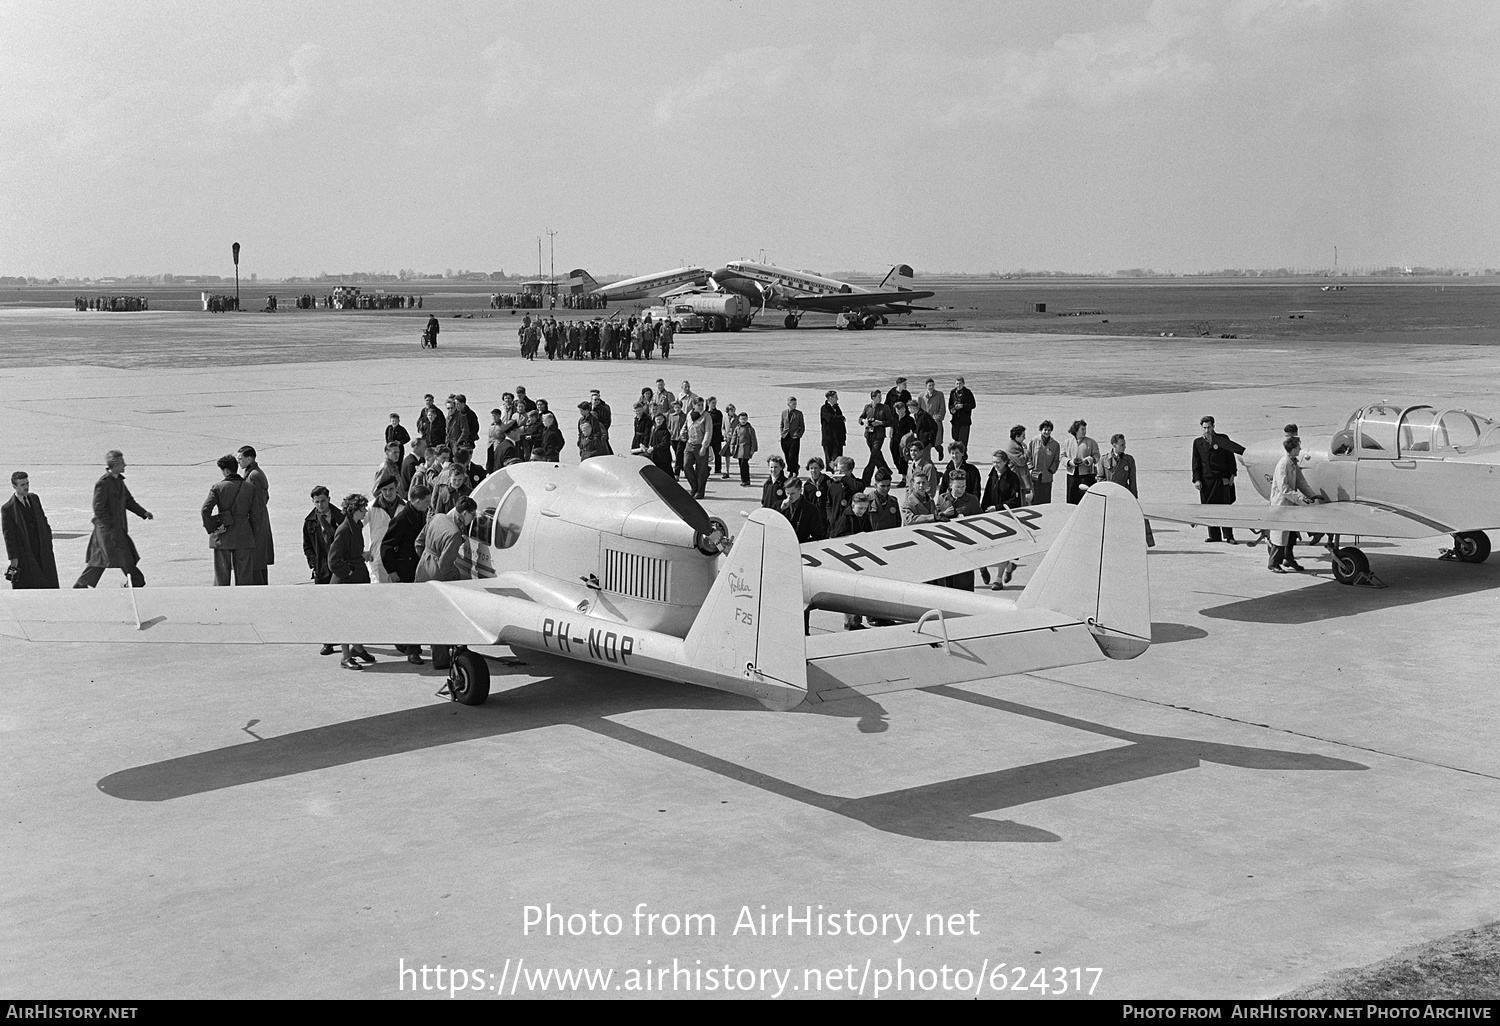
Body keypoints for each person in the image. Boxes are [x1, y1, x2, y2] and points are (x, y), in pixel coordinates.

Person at [74, 450, 152, 589]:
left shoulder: (118, 481)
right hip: (108, 531)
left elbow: (128, 501)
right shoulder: (103, 483)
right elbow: (98, 508)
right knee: (124, 558)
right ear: (115, 464)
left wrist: (143, 513)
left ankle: (81, 586)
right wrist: (110, 527)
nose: (125, 465)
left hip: (114, 530)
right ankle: (136, 581)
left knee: (99, 560)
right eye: (122, 463)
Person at [416, 496, 477, 671]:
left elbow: (418, 542)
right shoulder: (455, 534)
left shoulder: (437, 517)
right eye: (472, 516)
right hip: (437, 574)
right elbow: (445, 565)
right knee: (441, 618)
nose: (472, 520)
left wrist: (426, 560)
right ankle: (441, 660)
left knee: (425, 614)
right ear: (464, 513)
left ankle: (413, 649)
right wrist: (456, 577)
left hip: (422, 567)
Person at [381, 482, 430, 664]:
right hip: (404, 570)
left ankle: (404, 642)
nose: (428, 504)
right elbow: (386, 546)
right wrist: (392, 570)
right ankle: (412, 650)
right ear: (416, 501)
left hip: (414, 567)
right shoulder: (402, 519)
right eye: (426, 501)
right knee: (410, 610)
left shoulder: (418, 514)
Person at [326, 493, 376, 670]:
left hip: (357, 577)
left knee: (358, 616)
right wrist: (349, 570)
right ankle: (345, 656)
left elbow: (351, 551)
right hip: (345, 582)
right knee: (346, 619)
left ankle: (358, 648)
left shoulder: (356, 525)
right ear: (354, 510)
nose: (365, 512)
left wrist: (361, 555)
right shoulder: (345, 529)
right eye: (363, 509)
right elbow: (333, 560)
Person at [1268, 436, 1321, 573]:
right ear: (1292, 450)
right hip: (1282, 504)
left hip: (1290, 504)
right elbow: (1284, 489)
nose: (1300, 449)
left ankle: (1288, 559)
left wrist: (1312, 495)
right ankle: (1273, 563)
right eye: (1298, 447)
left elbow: (1301, 482)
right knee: (1280, 535)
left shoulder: (1292, 462)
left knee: (1291, 535)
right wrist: (1301, 499)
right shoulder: (1283, 464)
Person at [201, 453, 256, 586]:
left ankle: (221, 604)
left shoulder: (217, 488)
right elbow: (256, 515)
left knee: (222, 577)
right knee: (244, 577)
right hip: (244, 535)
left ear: (226, 471)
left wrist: (212, 529)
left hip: (223, 535)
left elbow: (205, 510)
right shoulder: (250, 488)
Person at [1192, 415, 1247, 543]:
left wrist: (1232, 474)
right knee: (1209, 509)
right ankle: (1214, 535)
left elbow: (1230, 457)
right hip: (1207, 481)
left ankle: (1229, 536)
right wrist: (1197, 480)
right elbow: (1196, 463)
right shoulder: (1197, 443)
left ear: (1213, 426)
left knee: (1225, 508)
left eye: (1209, 427)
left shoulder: (1222, 439)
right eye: (1204, 428)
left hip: (1222, 479)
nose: (1207, 430)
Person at [302, 485, 343, 656]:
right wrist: (314, 563)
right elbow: (307, 546)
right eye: (317, 502)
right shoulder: (310, 521)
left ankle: (349, 640)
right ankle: (328, 642)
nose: (320, 505)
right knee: (325, 608)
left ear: (329, 499)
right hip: (322, 569)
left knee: (342, 605)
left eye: (323, 501)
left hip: (339, 567)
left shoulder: (341, 516)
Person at [3, 471, 59, 589]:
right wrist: (13, 557)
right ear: (14, 486)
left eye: (27, 483)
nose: (26, 487)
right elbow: (9, 535)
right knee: (29, 583)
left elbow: (43, 520)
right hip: (25, 552)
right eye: (22, 485)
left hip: (42, 549)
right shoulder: (8, 508)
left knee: (48, 581)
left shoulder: (34, 499)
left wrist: (48, 538)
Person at [979, 449, 1026, 589]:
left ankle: (998, 580)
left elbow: (1015, 501)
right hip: (991, 517)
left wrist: (997, 507)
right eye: (993, 462)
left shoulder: (1013, 478)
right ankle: (1008, 566)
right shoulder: (992, 476)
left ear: (1005, 462)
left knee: (1002, 550)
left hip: (1005, 518)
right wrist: (981, 513)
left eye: (998, 462)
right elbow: (986, 496)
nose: (995, 465)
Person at [830, 489, 874, 630]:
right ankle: (851, 622)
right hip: (849, 559)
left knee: (859, 592)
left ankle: (856, 621)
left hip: (860, 558)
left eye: (865, 508)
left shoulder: (863, 517)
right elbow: (838, 537)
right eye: (860, 508)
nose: (862, 511)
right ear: (853, 505)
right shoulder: (845, 518)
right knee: (851, 592)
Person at [1100, 433, 1154, 547]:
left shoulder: (1129, 460)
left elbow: (1132, 479)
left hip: (1124, 494)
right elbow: (1099, 478)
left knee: (1128, 520)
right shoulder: (1104, 459)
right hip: (1110, 495)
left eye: (1124, 444)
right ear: (1114, 445)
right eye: (1122, 445)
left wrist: (1134, 496)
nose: (1124, 447)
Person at [935, 471, 981, 590]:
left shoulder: (972, 500)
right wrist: (943, 514)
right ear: (950, 486)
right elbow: (935, 519)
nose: (961, 490)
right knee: (947, 584)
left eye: (963, 486)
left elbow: (980, 522)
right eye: (958, 487)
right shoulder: (942, 499)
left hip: (965, 547)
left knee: (965, 583)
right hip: (947, 547)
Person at [238, 445, 273, 583]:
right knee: (258, 562)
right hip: (259, 521)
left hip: (256, 524)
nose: (238, 461)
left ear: (250, 459)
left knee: (255, 562)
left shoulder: (253, 476)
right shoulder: (253, 473)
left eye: (241, 458)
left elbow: (257, 503)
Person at [859, 389, 894, 484]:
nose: (881, 398)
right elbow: (860, 418)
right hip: (869, 435)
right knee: (877, 455)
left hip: (879, 435)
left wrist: (880, 423)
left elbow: (890, 421)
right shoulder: (867, 407)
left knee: (873, 456)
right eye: (878, 397)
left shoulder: (885, 408)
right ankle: (886, 471)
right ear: (873, 398)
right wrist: (864, 421)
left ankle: (866, 479)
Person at [1062, 420, 1099, 506]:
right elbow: (1062, 457)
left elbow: (1097, 456)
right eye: (1082, 429)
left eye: (1085, 429)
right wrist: (1070, 462)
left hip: (1086, 475)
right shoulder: (1067, 442)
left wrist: (1087, 460)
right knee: (1071, 497)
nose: (1084, 431)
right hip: (1072, 475)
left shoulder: (1091, 442)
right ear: (1076, 430)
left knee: (1083, 498)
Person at [1027, 420, 1061, 504]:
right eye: (1045, 430)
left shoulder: (1055, 444)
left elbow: (1056, 460)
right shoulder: (1033, 441)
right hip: (1035, 476)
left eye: (1049, 430)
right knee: (1035, 499)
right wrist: (1030, 468)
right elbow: (1028, 456)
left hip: (1047, 477)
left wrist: (1051, 471)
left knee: (1045, 499)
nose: (1047, 432)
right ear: (1041, 430)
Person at [915, 378, 946, 454]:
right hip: (924, 422)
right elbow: (917, 409)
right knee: (925, 441)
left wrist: (939, 418)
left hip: (935, 420)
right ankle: (927, 459)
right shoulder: (921, 396)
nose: (931, 387)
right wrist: (918, 419)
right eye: (929, 385)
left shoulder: (939, 395)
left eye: (933, 385)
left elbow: (942, 408)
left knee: (935, 441)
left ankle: (940, 450)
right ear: (926, 386)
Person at [948, 376, 976, 451]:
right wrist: (952, 410)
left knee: (962, 441)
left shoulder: (968, 392)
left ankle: (963, 456)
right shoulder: (953, 392)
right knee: (955, 438)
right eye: (957, 384)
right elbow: (950, 404)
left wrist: (962, 406)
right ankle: (958, 455)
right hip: (955, 420)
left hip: (965, 421)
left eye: (960, 383)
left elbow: (973, 405)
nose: (958, 385)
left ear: (963, 383)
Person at [730, 411, 758, 486]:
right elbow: (734, 438)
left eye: (744, 419)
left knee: (744, 463)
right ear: (739, 419)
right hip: (739, 449)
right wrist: (732, 447)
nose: (743, 421)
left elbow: (753, 439)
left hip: (746, 449)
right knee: (741, 464)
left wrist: (753, 449)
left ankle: (746, 480)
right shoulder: (737, 428)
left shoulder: (750, 429)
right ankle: (744, 480)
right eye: (742, 419)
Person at [820, 390, 846, 468]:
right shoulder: (824, 408)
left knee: (838, 459)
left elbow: (840, 422)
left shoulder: (836, 407)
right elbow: (830, 418)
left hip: (838, 438)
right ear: (830, 398)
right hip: (829, 438)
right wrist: (841, 418)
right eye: (835, 397)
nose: (837, 399)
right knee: (830, 460)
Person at [779, 396, 805, 471]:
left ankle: (792, 471)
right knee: (787, 454)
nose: (794, 405)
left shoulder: (799, 413)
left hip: (794, 437)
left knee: (793, 455)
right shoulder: (784, 413)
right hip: (785, 436)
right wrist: (782, 433)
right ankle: (794, 466)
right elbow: (781, 424)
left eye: (795, 404)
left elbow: (802, 426)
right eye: (793, 404)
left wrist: (799, 435)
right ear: (788, 404)